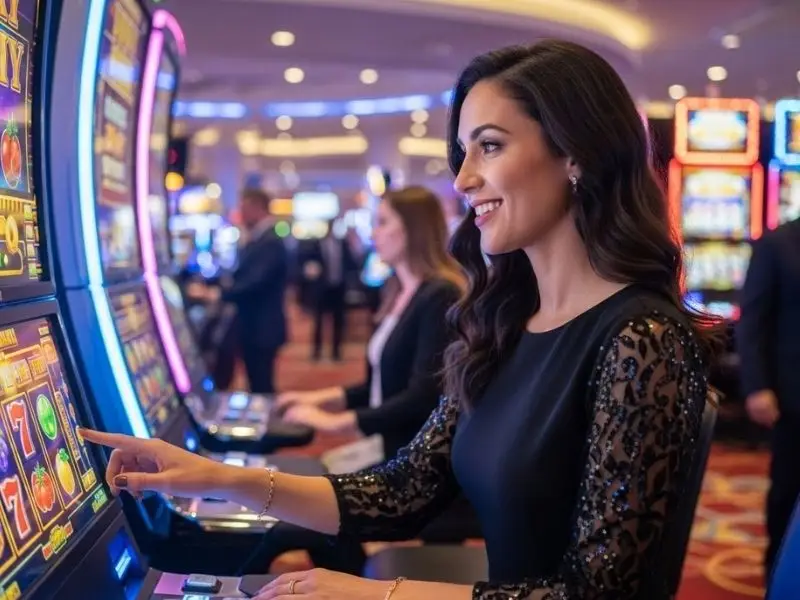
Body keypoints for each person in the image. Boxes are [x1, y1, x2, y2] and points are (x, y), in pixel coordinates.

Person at [80, 40, 716, 599]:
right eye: (463, 152)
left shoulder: (643, 339)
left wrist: (381, 595)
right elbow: (402, 490)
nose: (464, 179)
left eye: (489, 147)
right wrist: (218, 478)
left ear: (575, 153)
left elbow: (599, 594)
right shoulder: (505, 322)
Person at [277, 186, 464, 465]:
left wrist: (334, 422)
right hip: (388, 444)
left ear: (414, 229)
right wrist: (316, 398)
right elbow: (380, 384)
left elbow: (423, 397)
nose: (374, 233)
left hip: (416, 460)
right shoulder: (398, 291)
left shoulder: (440, 294)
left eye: (383, 222)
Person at [737, 218, 800, 575]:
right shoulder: (776, 244)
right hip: (793, 396)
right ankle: (778, 574)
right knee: (788, 493)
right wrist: (757, 385)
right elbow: (753, 321)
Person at [222, 187, 288, 394]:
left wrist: (220, 294)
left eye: (244, 208)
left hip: (263, 327)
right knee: (257, 381)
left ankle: (267, 425)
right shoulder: (258, 238)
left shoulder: (269, 241)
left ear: (258, 208)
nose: (241, 214)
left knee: (261, 384)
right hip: (255, 325)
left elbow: (255, 283)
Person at [306, 221, 360, 362]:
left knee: (338, 321)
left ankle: (336, 352)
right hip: (321, 289)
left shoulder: (342, 244)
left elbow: (350, 263)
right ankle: (316, 352)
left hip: (338, 288)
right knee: (319, 322)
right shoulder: (316, 244)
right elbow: (307, 264)